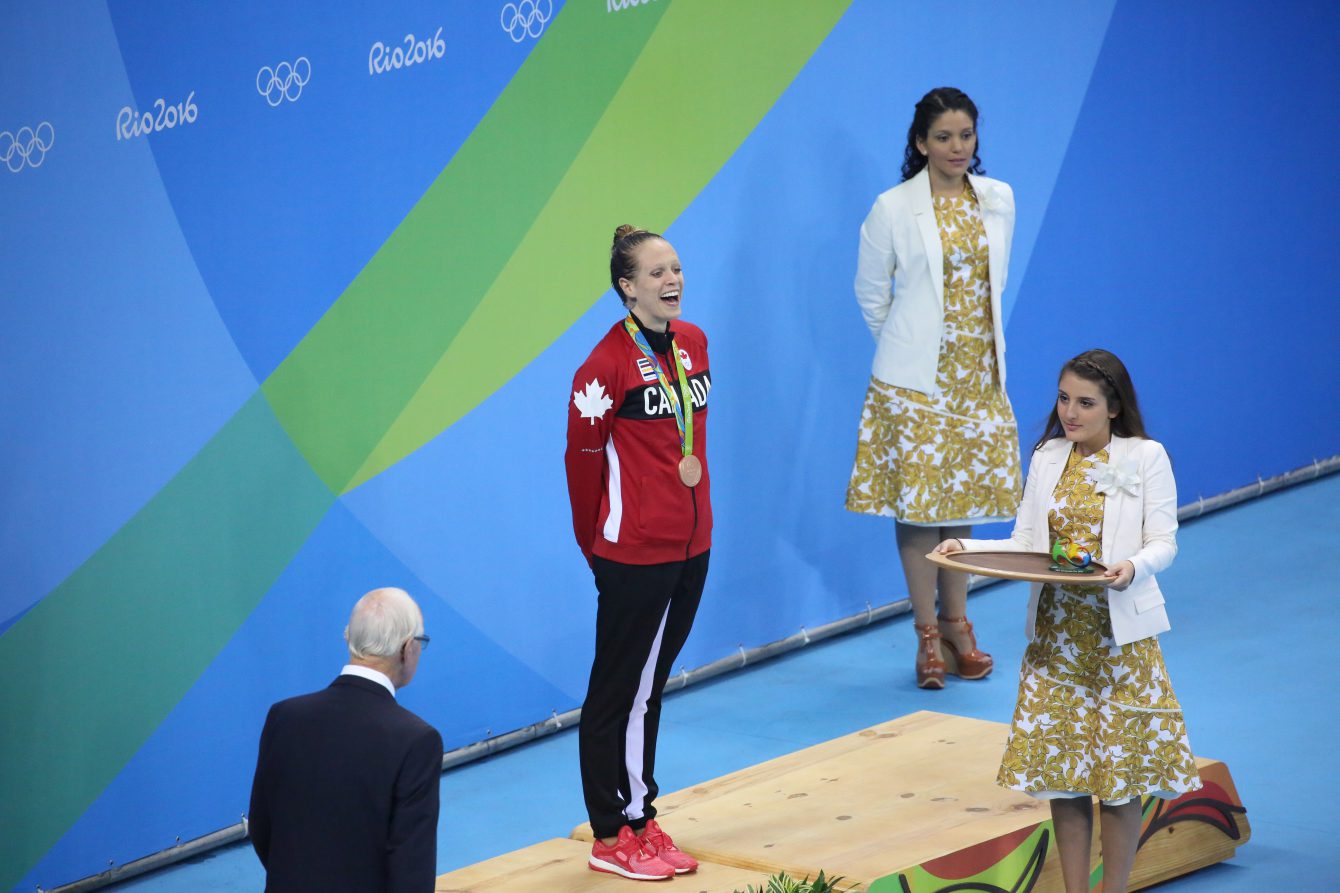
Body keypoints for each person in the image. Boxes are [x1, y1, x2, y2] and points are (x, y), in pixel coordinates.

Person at [936, 349, 1201, 893]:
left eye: (1084, 402)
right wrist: (966, 547)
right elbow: (1028, 544)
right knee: (1064, 779)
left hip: (1119, 644)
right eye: (1063, 399)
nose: (1069, 413)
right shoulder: (1048, 456)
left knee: (1121, 780)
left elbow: (1164, 542)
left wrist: (1133, 567)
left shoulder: (1148, 456)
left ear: (1114, 407)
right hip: (1056, 643)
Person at [846, 86, 1021, 688]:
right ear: (920, 142)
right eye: (943, 137)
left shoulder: (998, 199)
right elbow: (872, 296)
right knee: (921, 511)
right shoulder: (892, 207)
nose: (957, 147)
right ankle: (927, 637)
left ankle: (959, 625)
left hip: (978, 375)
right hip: (912, 383)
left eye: (966, 136)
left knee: (962, 505)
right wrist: (911, 346)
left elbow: (990, 288)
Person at [565, 225, 711, 881]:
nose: (671, 280)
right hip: (633, 553)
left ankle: (641, 818)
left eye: (675, 268)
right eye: (655, 273)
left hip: (691, 545)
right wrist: (596, 544)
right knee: (617, 692)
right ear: (626, 287)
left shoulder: (696, 344)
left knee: (648, 690)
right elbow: (582, 463)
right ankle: (610, 832)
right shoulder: (602, 367)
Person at [248, 588, 442, 893]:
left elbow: (261, 828)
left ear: (349, 638)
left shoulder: (284, 717)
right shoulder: (416, 741)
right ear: (408, 649)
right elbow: (411, 870)